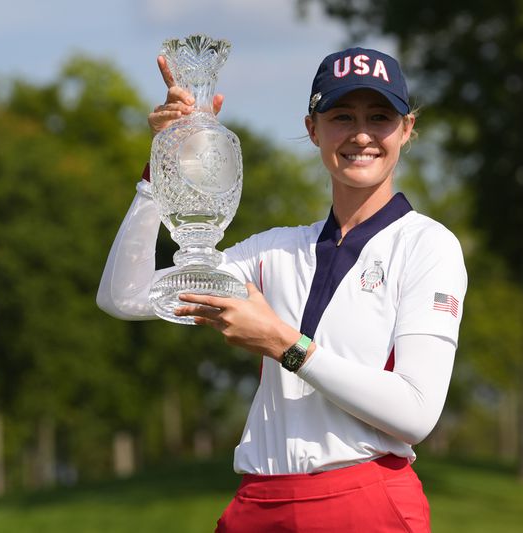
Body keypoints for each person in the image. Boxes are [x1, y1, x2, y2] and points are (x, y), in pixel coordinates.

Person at [98, 46, 467, 532]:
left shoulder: (427, 244)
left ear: (407, 129)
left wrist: (283, 343)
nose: (361, 134)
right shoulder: (272, 252)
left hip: (365, 503)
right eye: (341, 116)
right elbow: (124, 296)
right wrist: (159, 167)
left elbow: (415, 412)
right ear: (313, 129)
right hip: (259, 502)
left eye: (380, 117)